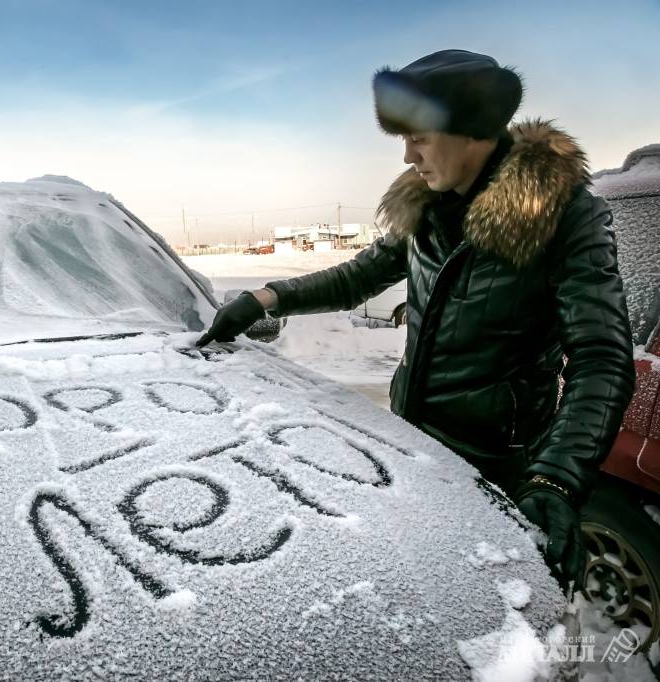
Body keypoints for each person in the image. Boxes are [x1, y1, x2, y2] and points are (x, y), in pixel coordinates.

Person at [196, 49, 636, 592]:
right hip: (412, 443)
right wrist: (265, 297)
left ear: (472, 130)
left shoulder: (563, 216)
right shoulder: (424, 209)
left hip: (498, 466)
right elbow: (356, 277)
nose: (408, 156)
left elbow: (601, 357)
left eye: (420, 137)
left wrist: (557, 478)